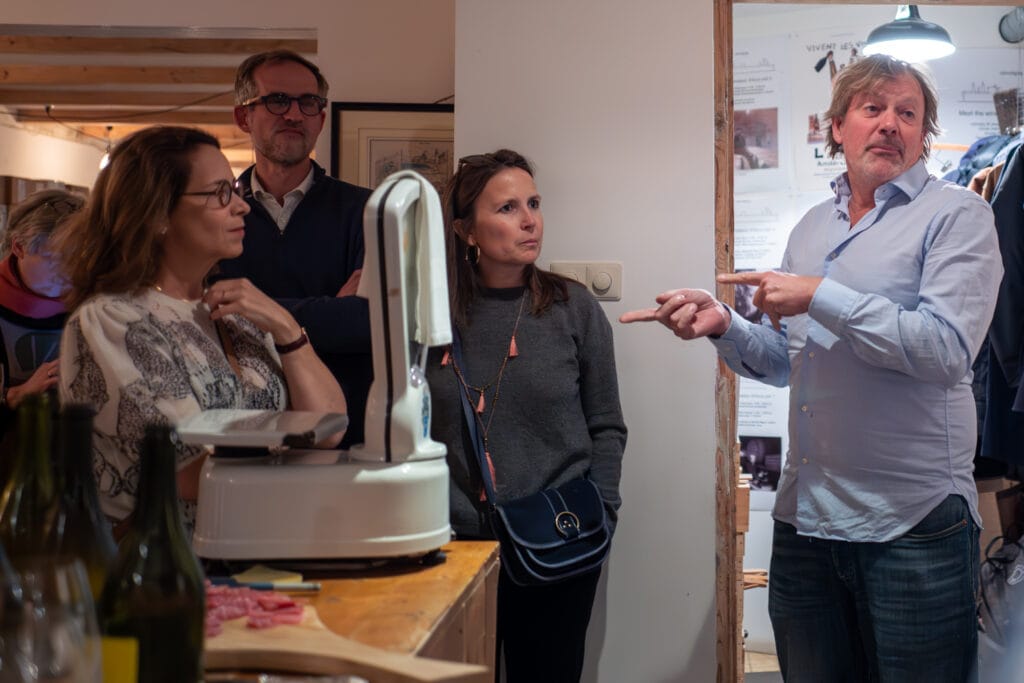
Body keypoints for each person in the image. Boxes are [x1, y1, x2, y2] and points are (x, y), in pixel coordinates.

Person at [622, 55, 1002, 682]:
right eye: (873, 109)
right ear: (838, 127)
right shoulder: (810, 229)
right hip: (808, 519)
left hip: (914, 522)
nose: (890, 124)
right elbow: (789, 362)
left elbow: (945, 350)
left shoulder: (958, 215)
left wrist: (820, 294)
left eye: (907, 113)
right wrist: (724, 323)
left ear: (923, 135)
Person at [55, 126, 347, 536]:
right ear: (157, 214)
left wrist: (286, 327)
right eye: (220, 193)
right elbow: (188, 470)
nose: (242, 207)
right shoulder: (113, 320)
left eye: (235, 191)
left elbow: (329, 428)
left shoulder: (234, 313)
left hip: (255, 545)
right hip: (169, 561)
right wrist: (298, 454)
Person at [426, 149, 626, 683]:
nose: (529, 220)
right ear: (466, 230)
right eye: (507, 208)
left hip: (556, 542)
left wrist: (603, 511)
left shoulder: (573, 309)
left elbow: (607, 425)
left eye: (533, 204)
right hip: (452, 546)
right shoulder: (431, 314)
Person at [218, 49, 372, 449]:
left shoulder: (367, 211)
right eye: (277, 100)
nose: (294, 114)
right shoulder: (215, 214)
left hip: (343, 436)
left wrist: (250, 308)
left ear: (321, 118)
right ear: (243, 117)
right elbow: (210, 319)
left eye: (308, 103)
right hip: (242, 437)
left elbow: (364, 323)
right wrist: (330, 309)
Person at [0, 189, 84, 483]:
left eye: (78, 259)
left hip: (74, 466)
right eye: (56, 258)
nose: (69, 272)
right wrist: (14, 396)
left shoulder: (92, 306)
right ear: (19, 247)